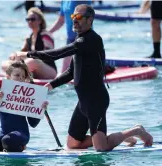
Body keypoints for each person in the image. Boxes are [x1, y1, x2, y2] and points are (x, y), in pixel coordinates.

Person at [10, 4, 153, 151]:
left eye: (78, 17)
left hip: (96, 101)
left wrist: (27, 54)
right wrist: (51, 85)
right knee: (72, 145)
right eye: (73, 16)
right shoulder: (80, 40)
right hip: (83, 103)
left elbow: (56, 54)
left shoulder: (90, 40)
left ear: (90, 19)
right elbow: (71, 72)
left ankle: (136, 131)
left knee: (101, 149)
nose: (74, 20)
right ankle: (106, 137)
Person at [1, 7, 57, 79]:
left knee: (32, 62)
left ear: (40, 21)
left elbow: (48, 54)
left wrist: (26, 56)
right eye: (28, 19)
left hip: (49, 71)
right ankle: (15, 76)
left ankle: (14, 75)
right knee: (4, 63)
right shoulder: (29, 38)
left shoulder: (46, 35)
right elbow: (22, 52)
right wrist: (14, 55)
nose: (30, 21)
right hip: (33, 69)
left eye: (32, 19)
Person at [48, 0, 91, 73]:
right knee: (64, 71)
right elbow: (61, 20)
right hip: (70, 40)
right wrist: (47, 32)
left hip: (83, 38)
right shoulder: (64, 1)